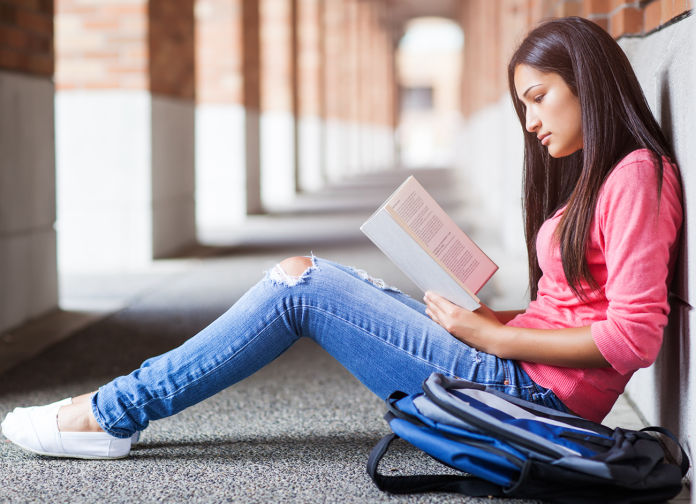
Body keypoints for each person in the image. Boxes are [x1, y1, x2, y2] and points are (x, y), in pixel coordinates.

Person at [1, 16, 683, 460]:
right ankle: (111, 409)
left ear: (587, 83)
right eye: (521, 106)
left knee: (302, 284)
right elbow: (578, 308)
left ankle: (110, 414)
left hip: (529, 396)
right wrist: (488, 319)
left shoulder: (638, 177)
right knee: (312, 273)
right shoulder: (602, 177)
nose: (529, 121)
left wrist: (497, 339)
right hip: (512, 370)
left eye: (538, 97)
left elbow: (634, 338)